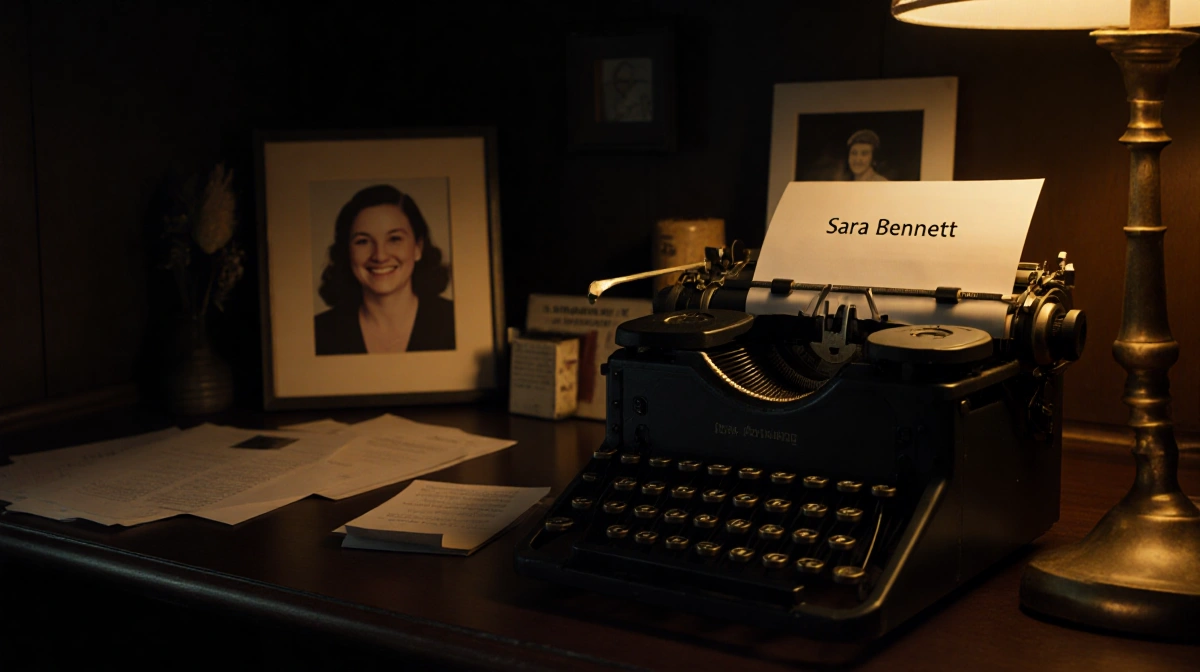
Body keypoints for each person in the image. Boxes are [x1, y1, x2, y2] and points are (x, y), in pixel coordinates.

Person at [314, 185, 455, 355]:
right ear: (347, 251)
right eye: (363, 241)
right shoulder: (318, 333)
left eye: (394, 239)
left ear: (418, 248)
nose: (379, 256)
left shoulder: (455, 321)